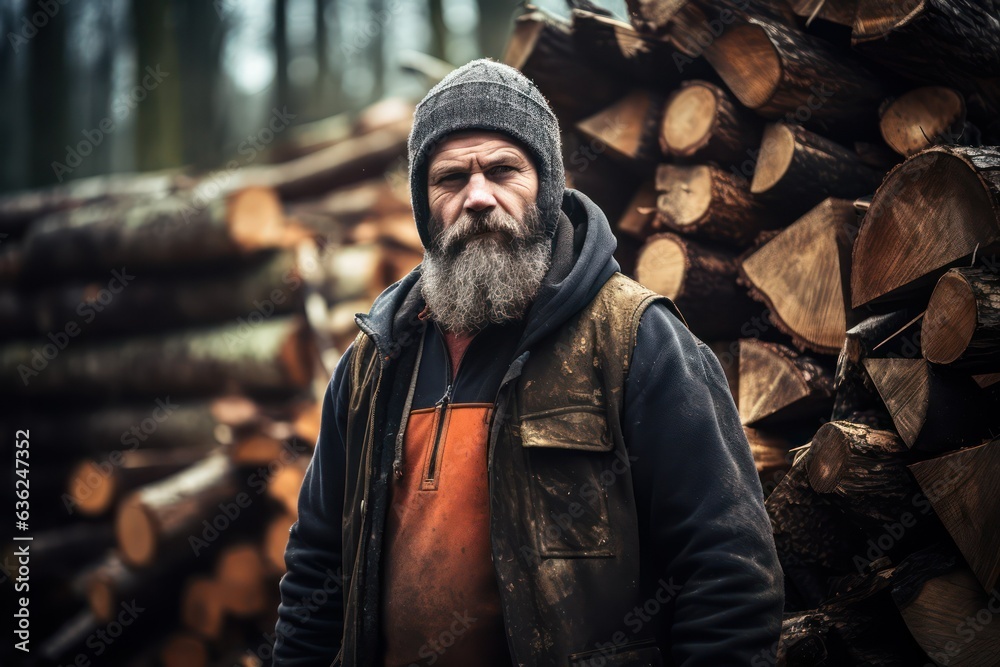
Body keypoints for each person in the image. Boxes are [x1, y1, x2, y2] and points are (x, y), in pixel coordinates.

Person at [274, 58, 783, 667]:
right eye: (451, 178)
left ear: (546, 186)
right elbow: (316, 569)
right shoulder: (373, 364)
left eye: (503, 170)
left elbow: (729, 572)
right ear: (421, 203)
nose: (478, 197)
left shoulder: (635, 340)